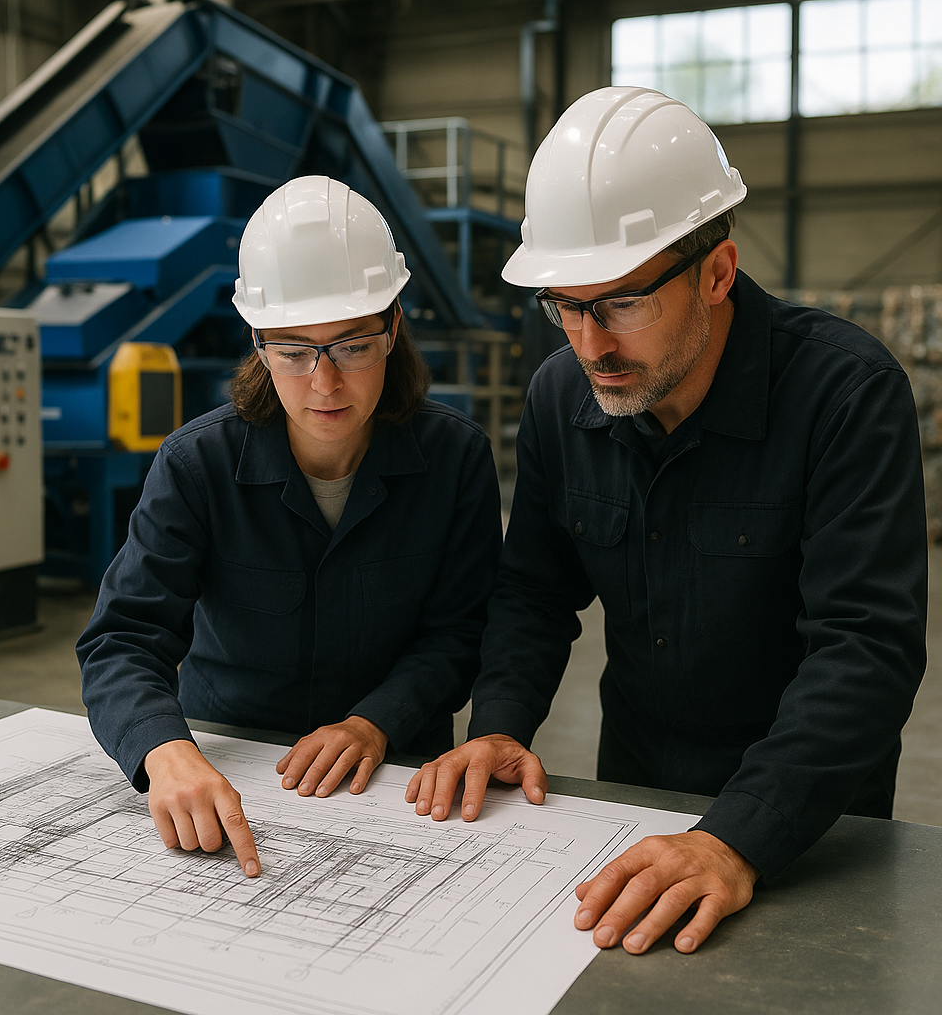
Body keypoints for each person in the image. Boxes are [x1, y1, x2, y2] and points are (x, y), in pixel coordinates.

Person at [406, 87, 927, 955]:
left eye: (619, 303)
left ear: (716, 273)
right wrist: (499, 723)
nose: (588, 343)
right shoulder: (562, 398)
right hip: (637, 797)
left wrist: (736, 837)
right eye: (564, 307)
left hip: (808, 823)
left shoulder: (844, 396)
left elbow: (866, 649)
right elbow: (534, 591)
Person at [79, 175, 502, 879]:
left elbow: (461, 631)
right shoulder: (197, 465)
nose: (324, 383)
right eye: (294, 350)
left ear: (393, 327)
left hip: (396, 777)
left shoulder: (455, 459)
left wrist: (377, 720)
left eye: (353, 346)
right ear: (257, 341)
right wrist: (164, 750)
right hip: (230, 761)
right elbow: (122, 637)